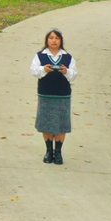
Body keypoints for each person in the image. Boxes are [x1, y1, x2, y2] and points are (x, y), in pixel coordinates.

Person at [30, 28, 78, 165]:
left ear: (61, 41)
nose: (54, 41)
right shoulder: (40, 56)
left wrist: (66, 71)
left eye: (57, 38)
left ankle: (58, 153)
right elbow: (34, 71)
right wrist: (43, 69)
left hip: (62, 95)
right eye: (51, 38)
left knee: (61, 124)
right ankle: (48, 151)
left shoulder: (68, 57)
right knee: (46, 123)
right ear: (47, 40)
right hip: (46, 94)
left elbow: (74, 74)